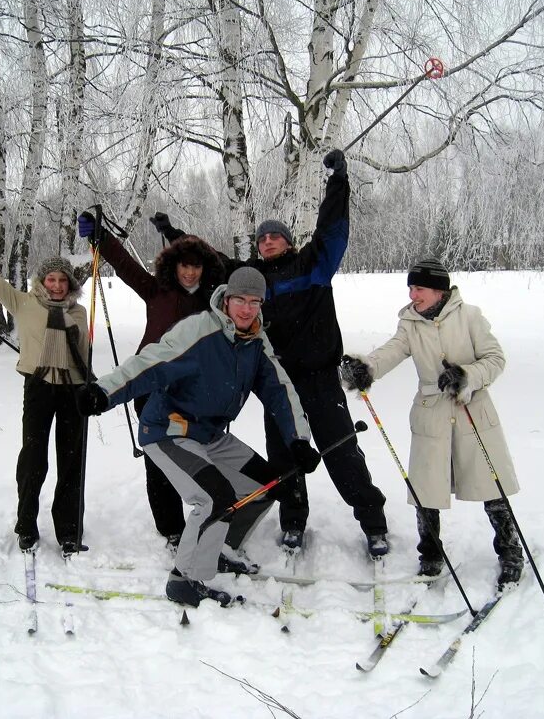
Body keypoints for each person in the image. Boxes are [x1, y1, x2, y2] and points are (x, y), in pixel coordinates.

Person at [151, 149, 389, 558]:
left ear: (289, 241)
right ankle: (293, 521)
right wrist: (174, 234)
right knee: (284, 458)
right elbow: (209, 261)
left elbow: (333, 229)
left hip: (318, 378)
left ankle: (373, 521)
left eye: (274, 235)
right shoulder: (251, 278)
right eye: (262, 237)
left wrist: (338, 180)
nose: (267, 240)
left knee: (340, 451)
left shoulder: (313, 266)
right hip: (276, 381)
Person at [73, 267, 319, 607]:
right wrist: (104, 392)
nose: (247, 310)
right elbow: (150, 363)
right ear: (227, 299)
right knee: (214, 498)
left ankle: (216, 550)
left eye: (255, 302)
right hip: (169, 430)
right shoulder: (199, 330)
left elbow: (280, 389)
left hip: (210, 434)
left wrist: (299, 440)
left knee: (266, 486)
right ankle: (185, 579)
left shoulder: (256, 341)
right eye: (240, 301)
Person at [339, 258, 523, 591]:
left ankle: (510, 552)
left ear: (438, 290)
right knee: (427, 488)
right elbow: (392, 351)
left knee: (489, 484)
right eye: (410, 287)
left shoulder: (470, 316)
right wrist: (367, 368)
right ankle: (431, 554)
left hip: (472, 409)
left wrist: (467, 376)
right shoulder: (410, 323)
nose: (413, 294)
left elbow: (495, 359)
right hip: (431, 413)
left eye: (418, 288)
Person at [77, 214, 225, 551]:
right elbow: (126, 267)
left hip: (190, 394)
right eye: (184, 266)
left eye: (196, 266)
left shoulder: (212, 303)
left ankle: (211, 515)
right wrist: (101, 237)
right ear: (173, 266)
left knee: (196, 457)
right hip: (150, 388)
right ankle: (171, 529)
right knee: (158, 462)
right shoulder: (157, 290)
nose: (190, 272)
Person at [0, 215, 90, 555]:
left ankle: (69, 530)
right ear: (42, 281)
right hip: (39, 388)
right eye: (51, 278)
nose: (57, 284)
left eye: (63, 279)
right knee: (33, 459)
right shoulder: (24, 303)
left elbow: (84, 356)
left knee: (72, 461)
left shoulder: (79, 313)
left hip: (74, 391)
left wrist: (91, 389)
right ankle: (27, 525)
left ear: (70, 283)